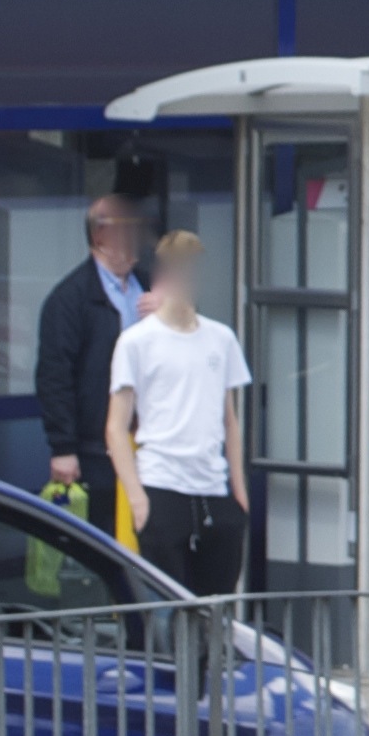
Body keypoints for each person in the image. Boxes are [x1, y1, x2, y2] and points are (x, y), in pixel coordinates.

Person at [103, 232, 253, 595]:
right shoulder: (137, 341)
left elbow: (229, 420)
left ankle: (210, 654)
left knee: (215, 605)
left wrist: (238, 487)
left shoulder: (221, 339)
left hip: (212, 486)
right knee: (168, 608)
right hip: (162, 484)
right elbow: (115, 427)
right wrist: (138, 498)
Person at [36, 195, 151, 537]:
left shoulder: (151, 285)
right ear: (100, 236)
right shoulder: (70, 299)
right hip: (96, 451)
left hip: (151, 445)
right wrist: (64, 448)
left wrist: (173, 307)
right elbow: (54, 376)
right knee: (105, 538)